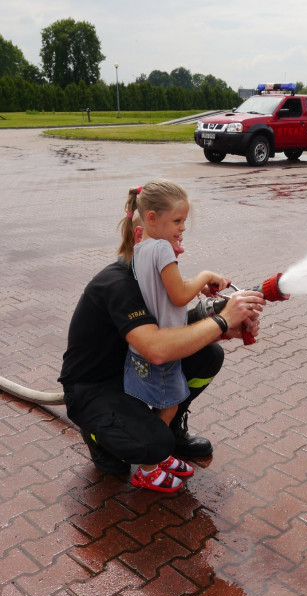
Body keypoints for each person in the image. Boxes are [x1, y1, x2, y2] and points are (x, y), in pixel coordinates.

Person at [59, 191, 265, 493]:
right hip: (93, 387)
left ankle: (168, 427)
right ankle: (98, 436)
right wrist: (222, 319)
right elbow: (156, 349)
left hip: (129, 368)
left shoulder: (152, 275)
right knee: (153, 444)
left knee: (209, 355)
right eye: (171, 244)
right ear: (144, 236)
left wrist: (223, 328)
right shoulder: (118, 283)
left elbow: (174, 324)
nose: (178, 251)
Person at [119, 181, 229, 487]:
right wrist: (206, 276)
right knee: (169, 405)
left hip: (144, 346)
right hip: (166, 346)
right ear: (152, 218)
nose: (182, 229)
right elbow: (179, 295)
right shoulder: (163, 248)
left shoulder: (140, 247)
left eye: (183, 221)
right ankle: (148, 465)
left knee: (162, 403)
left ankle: (159, 451)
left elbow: (166, 290)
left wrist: (193, 284)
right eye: (177, 221)